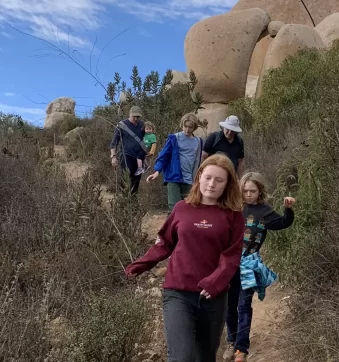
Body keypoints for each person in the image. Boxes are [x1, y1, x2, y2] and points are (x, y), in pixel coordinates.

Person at [125, 153, 245, 362]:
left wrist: (214, 282)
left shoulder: (234, 215)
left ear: (227, 185)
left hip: (213, 296)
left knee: (205, 356)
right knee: (182, 357)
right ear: (199, 177)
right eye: (208, 177)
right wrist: (141, 265)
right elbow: (165, 243)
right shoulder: (182, 208)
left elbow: (232, 256)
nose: (211, 184)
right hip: (178, 293)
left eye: (219, 180)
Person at [223, 172, 295, 362]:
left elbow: (282, 223)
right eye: (245, 190)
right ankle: (231, 341)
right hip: (229, 263)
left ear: (259, 191)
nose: (248, 194)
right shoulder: (234, 208)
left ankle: (241, 349)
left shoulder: (264, 212)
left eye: (252, 191)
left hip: (249, 263)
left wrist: (288, 209)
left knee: (244, 305)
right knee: (229, 306)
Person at [146, 113, 204, 213]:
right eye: (185, 126)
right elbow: (164, 155)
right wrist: (157, 171)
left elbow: (198, 161)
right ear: (182, 125)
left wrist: (198, 178)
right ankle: (170, 229)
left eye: (190, 127)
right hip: (174, 177)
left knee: (189, 209)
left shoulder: (198, 142)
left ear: (194, 127)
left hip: (190, 179)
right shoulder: (174, 138)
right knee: (174, 209)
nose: (187, 129)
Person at [109, 106, 147, 195]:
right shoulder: (122, 125)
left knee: (136, 180)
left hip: (139, 157)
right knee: (126, 178)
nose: (136, 118)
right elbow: (114, 142)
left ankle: (133, 202)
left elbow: (147, 138)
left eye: (138, 117)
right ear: (129, 114)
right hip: (126, 155)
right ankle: (124, 201)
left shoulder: (142, 125)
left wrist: (146, 154)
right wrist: (113, 156)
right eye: (134, 116)